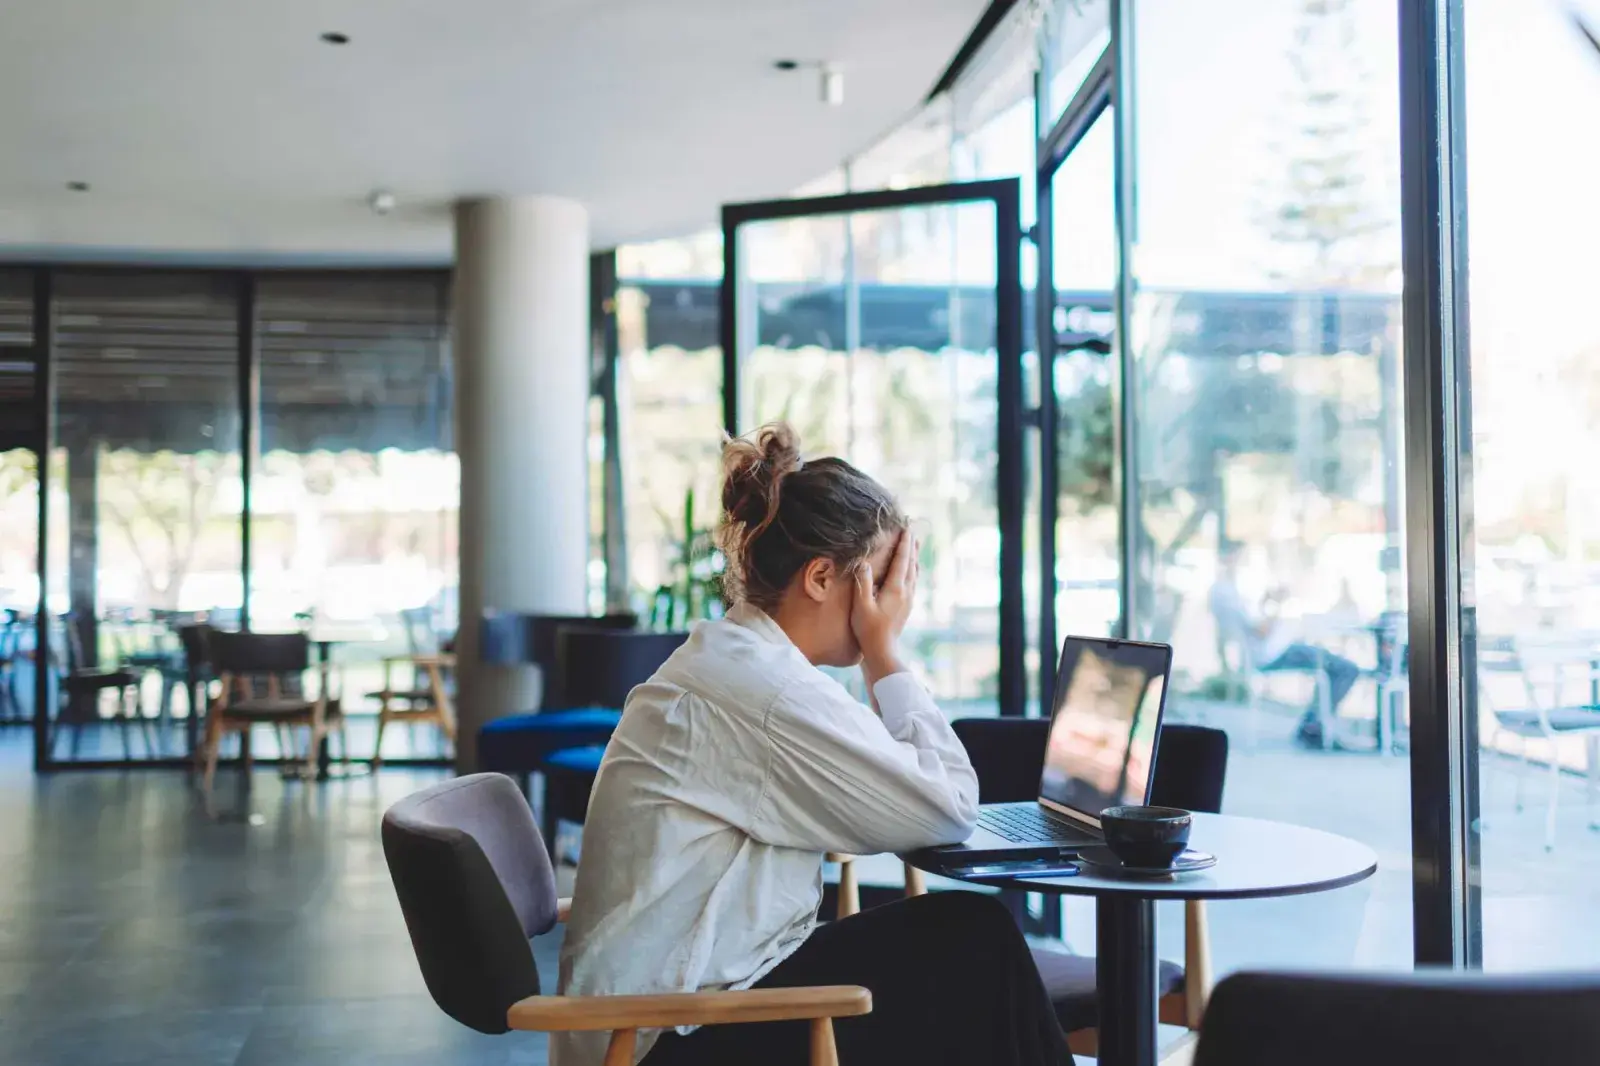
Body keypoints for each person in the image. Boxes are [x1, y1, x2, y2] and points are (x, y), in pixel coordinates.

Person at [554, 423, 1073, 1066]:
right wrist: (884, 654)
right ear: (823, 576)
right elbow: (948, 808)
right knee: (975, 940)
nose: (892, 601)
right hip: (665, 1032)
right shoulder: (767, 691)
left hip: (680, 1008)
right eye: (884, 579)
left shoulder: (745, 663)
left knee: (964, 950)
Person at [1208, 541, 1360, 750]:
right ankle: (1313, 727)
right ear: (1230, 558)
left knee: (1329, 667)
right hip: (1275, 652)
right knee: (1346, 668)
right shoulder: (1230, 592)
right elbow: (1261, 631)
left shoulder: (1222, 590)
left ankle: (1312, 725)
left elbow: (1252, 625)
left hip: (1274, 650)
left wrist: (1268, 602)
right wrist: (1278, 604)